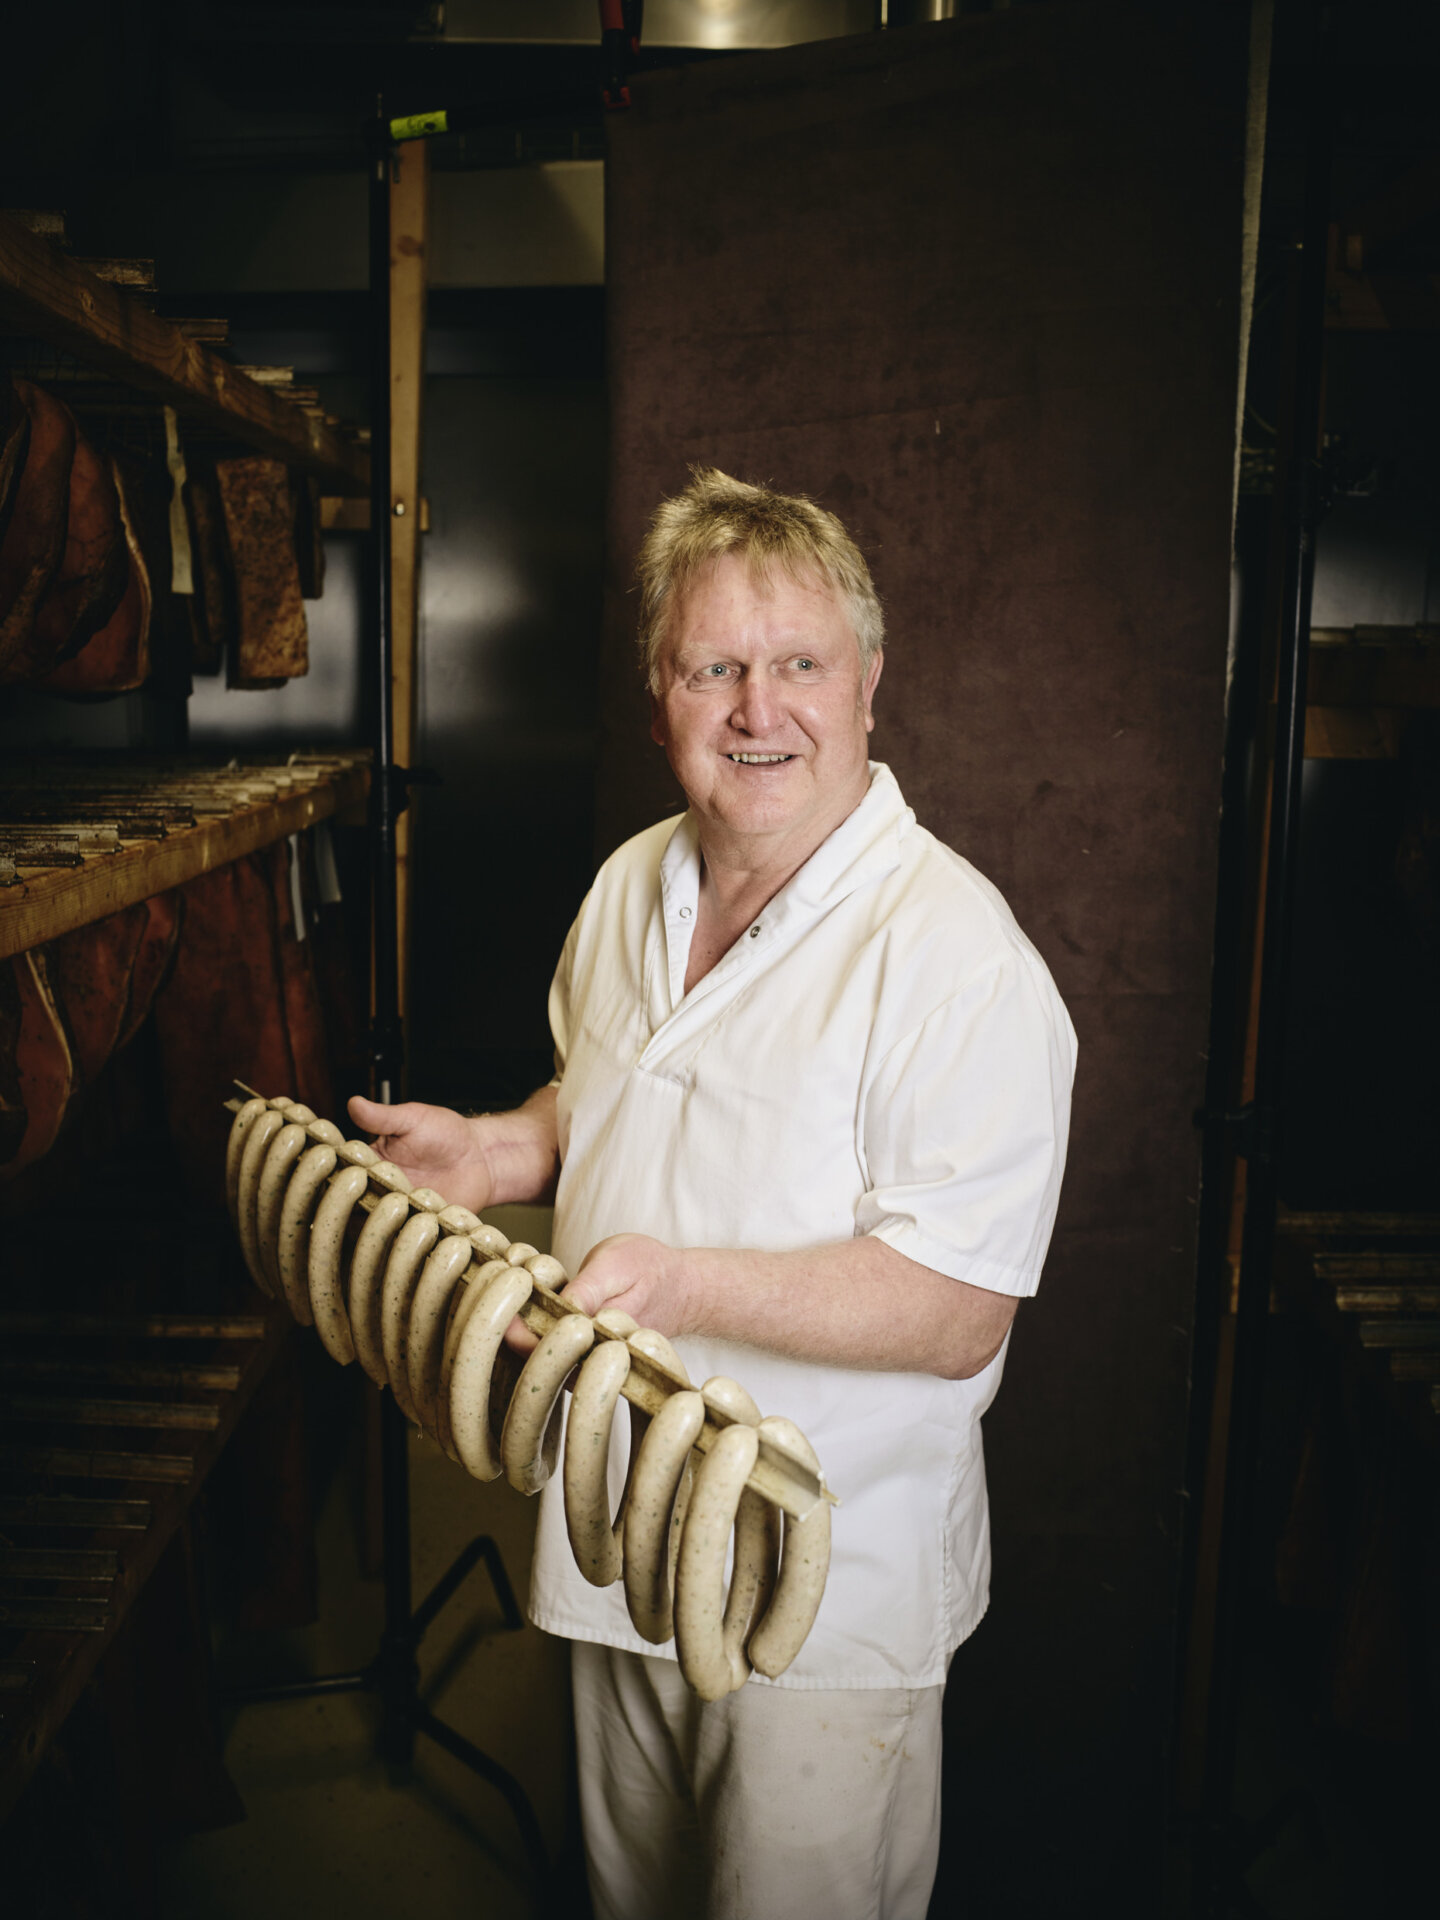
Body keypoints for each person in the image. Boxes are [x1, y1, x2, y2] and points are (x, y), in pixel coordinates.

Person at [350, 468, 1076, 1920]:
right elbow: (608, 1084)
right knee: (635, 1897)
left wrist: (678, 1284)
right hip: (619, 1526)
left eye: (799, 662)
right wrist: (502, 1153)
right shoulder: (633, 883)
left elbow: (958, 1309)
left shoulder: (956, 959)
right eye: (714, 667)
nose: (760, 708)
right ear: (660, 692)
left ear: (871, 679)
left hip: (820, 1585)